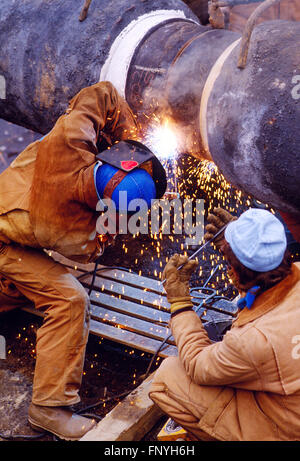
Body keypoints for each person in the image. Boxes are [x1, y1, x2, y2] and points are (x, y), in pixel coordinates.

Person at [0, 81, 166, 440]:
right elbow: (97, 247)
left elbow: (102, 93)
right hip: (4, 247)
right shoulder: (71, 231)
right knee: (69, 300)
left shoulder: (72, 139)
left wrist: (126, 140)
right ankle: (48, 408)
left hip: (10, 214)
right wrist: (119, 222)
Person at [149, 207, 300, 441]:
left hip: (289, 429)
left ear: (237, 273)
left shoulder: (251, 341)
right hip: (290, 395)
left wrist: (180, 302)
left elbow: (198, 364)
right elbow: (263, 283)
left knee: (167, 378)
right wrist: (241, 240)